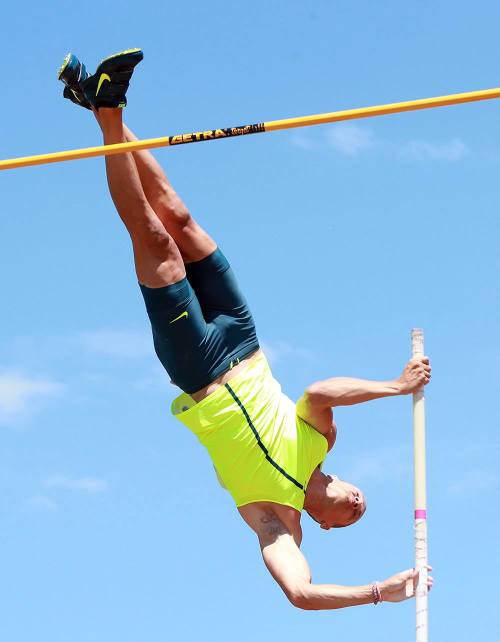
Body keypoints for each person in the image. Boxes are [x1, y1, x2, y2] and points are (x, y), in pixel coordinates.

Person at [57, 48, 433, 610]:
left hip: (199, 368)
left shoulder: (276, 520)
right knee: (180, 220)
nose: (359, 502)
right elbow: (320, 392)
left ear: (325, 525)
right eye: (363, 499)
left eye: (355, 515)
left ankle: (108, 108)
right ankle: (102, 107)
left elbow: (302, 593)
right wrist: (396, 386)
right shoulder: (322, 440)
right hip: (243, 340)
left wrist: (380, 591)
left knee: (155, 242)